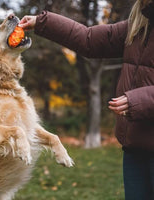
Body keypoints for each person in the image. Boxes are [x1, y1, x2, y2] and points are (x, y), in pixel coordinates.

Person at [19, 0, 154, 199]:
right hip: (136, 148)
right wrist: (42, 22)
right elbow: (89, 39)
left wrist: (141, 100)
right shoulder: (138, 24)